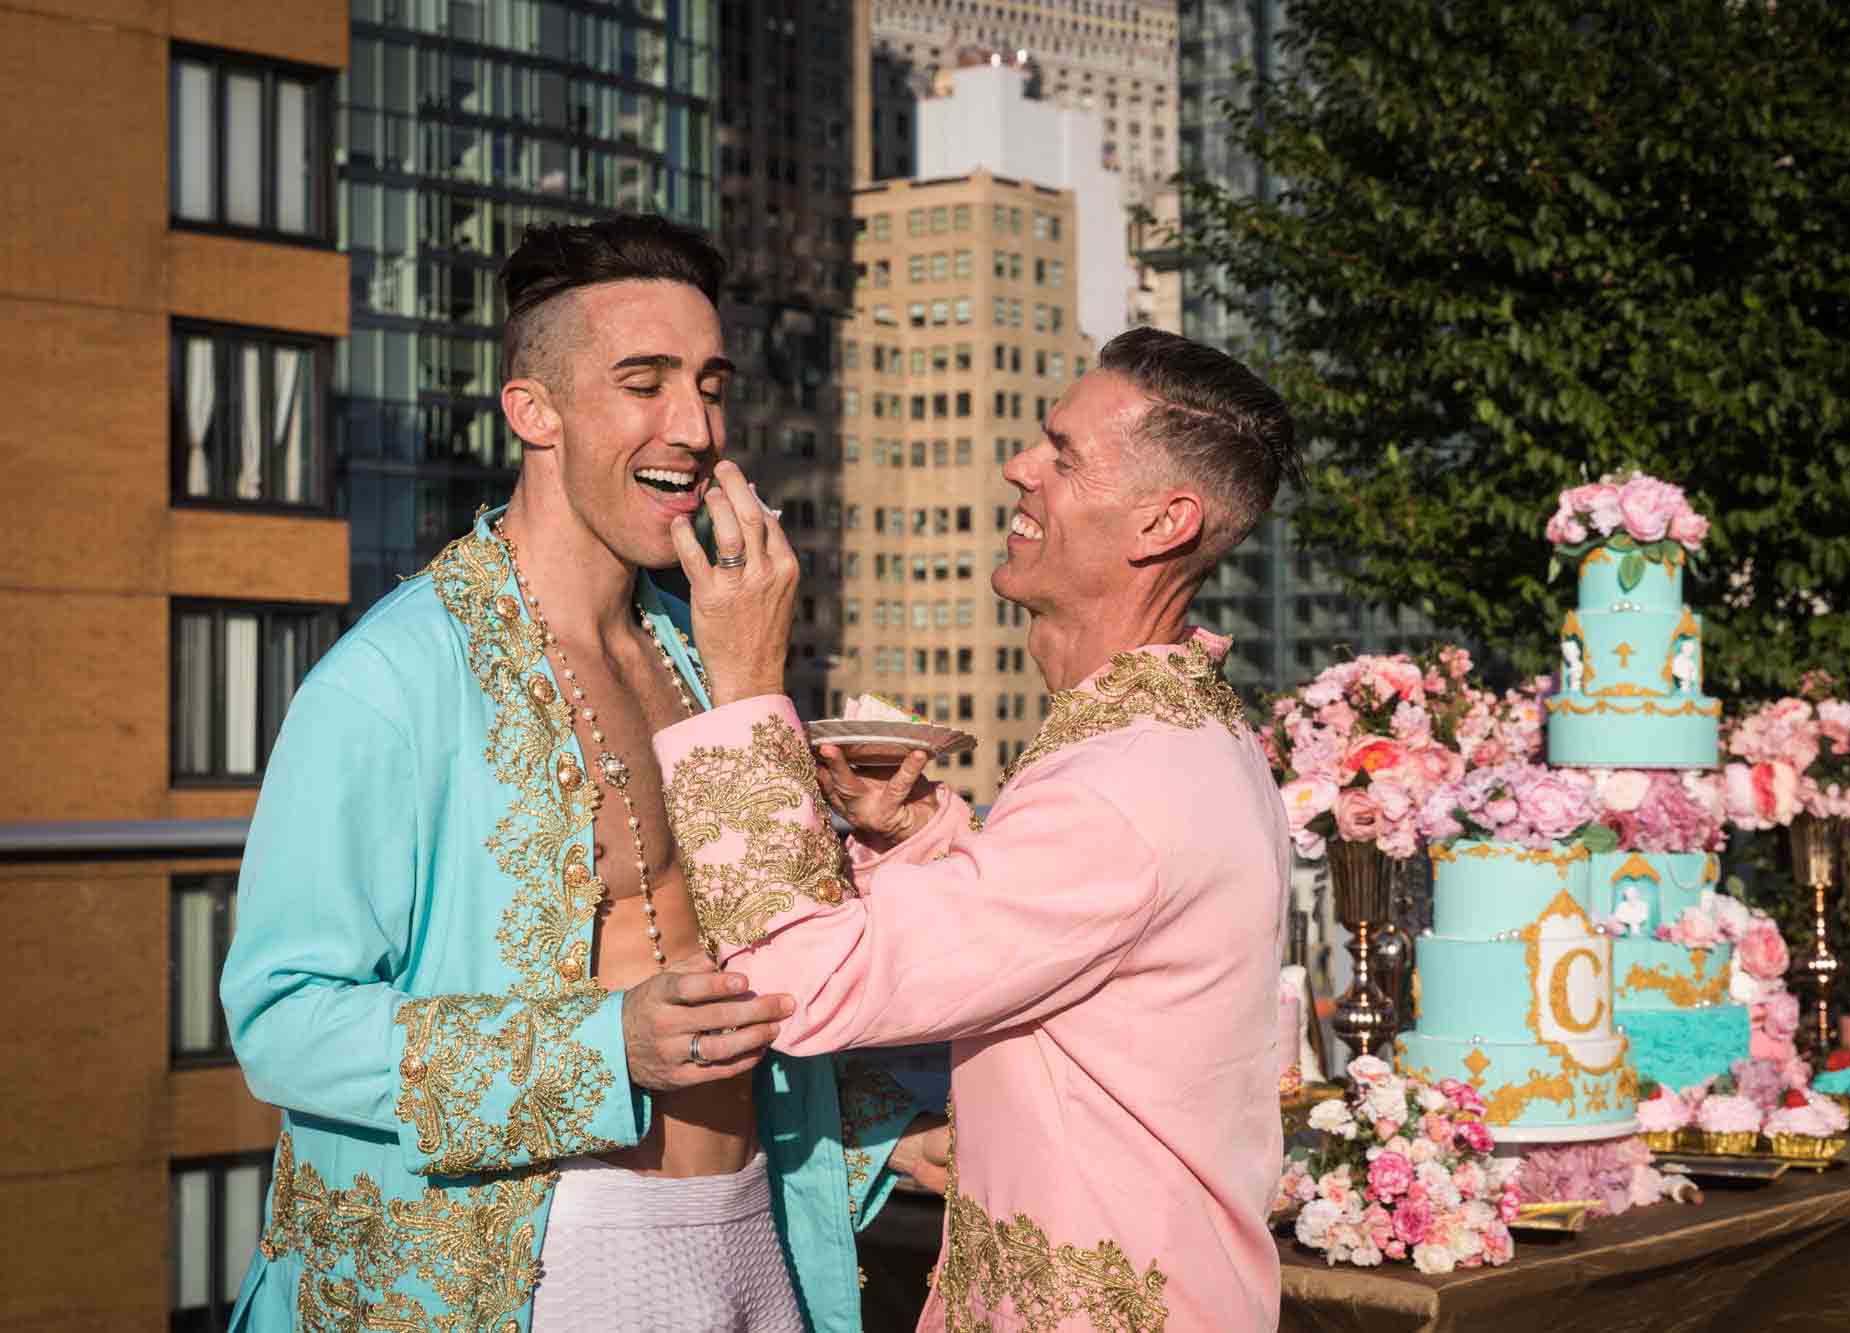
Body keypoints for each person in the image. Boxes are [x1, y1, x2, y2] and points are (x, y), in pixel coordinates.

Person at [218, 215, 913, 1332]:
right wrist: (603, 1047)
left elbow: (768, 952)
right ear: (532, 411)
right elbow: (283, 1020)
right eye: (643, 383)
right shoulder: (389, 680)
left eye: (708, 383)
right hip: (548, 1262)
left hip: (756, 1238)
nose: (693, 428)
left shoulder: (710, 650)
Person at [651, 328, 1300, 1331]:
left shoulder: (1123, 783)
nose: (1019, 466)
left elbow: (810, 986)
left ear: (1163, 521)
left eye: (1062, 452)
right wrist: (921, 834)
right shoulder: (1171, 734)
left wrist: (740, 686)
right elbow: (1059, 954)